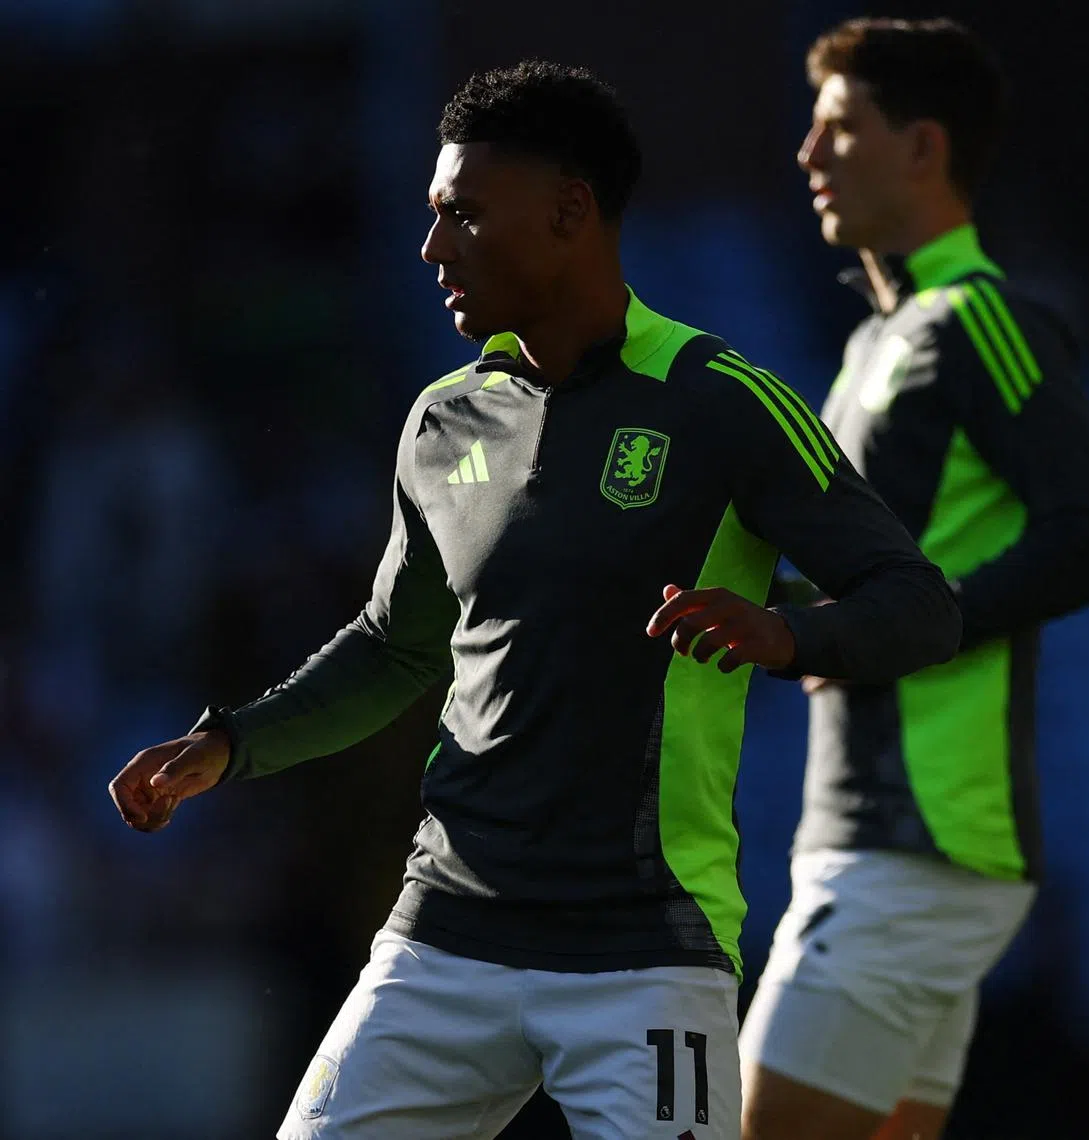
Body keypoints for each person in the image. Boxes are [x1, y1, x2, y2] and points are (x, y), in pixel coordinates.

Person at [109, 60, 960, 1140]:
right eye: (430, 217)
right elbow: (396, 647)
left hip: (645, 952)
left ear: (570, 214)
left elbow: (919, 606)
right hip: (445, 935)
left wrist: (784, 633)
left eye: (462, 216)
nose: (431, 250)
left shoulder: (722, 404)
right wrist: (233, 744)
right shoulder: (441, 421)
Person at [738, 18, 1089, 1140]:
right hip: (874, 841)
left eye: (839, 132)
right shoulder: (873, 346)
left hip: (914, 853)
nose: (811, 158)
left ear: (920, 149)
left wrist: (902, 626)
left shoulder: (981, 318)